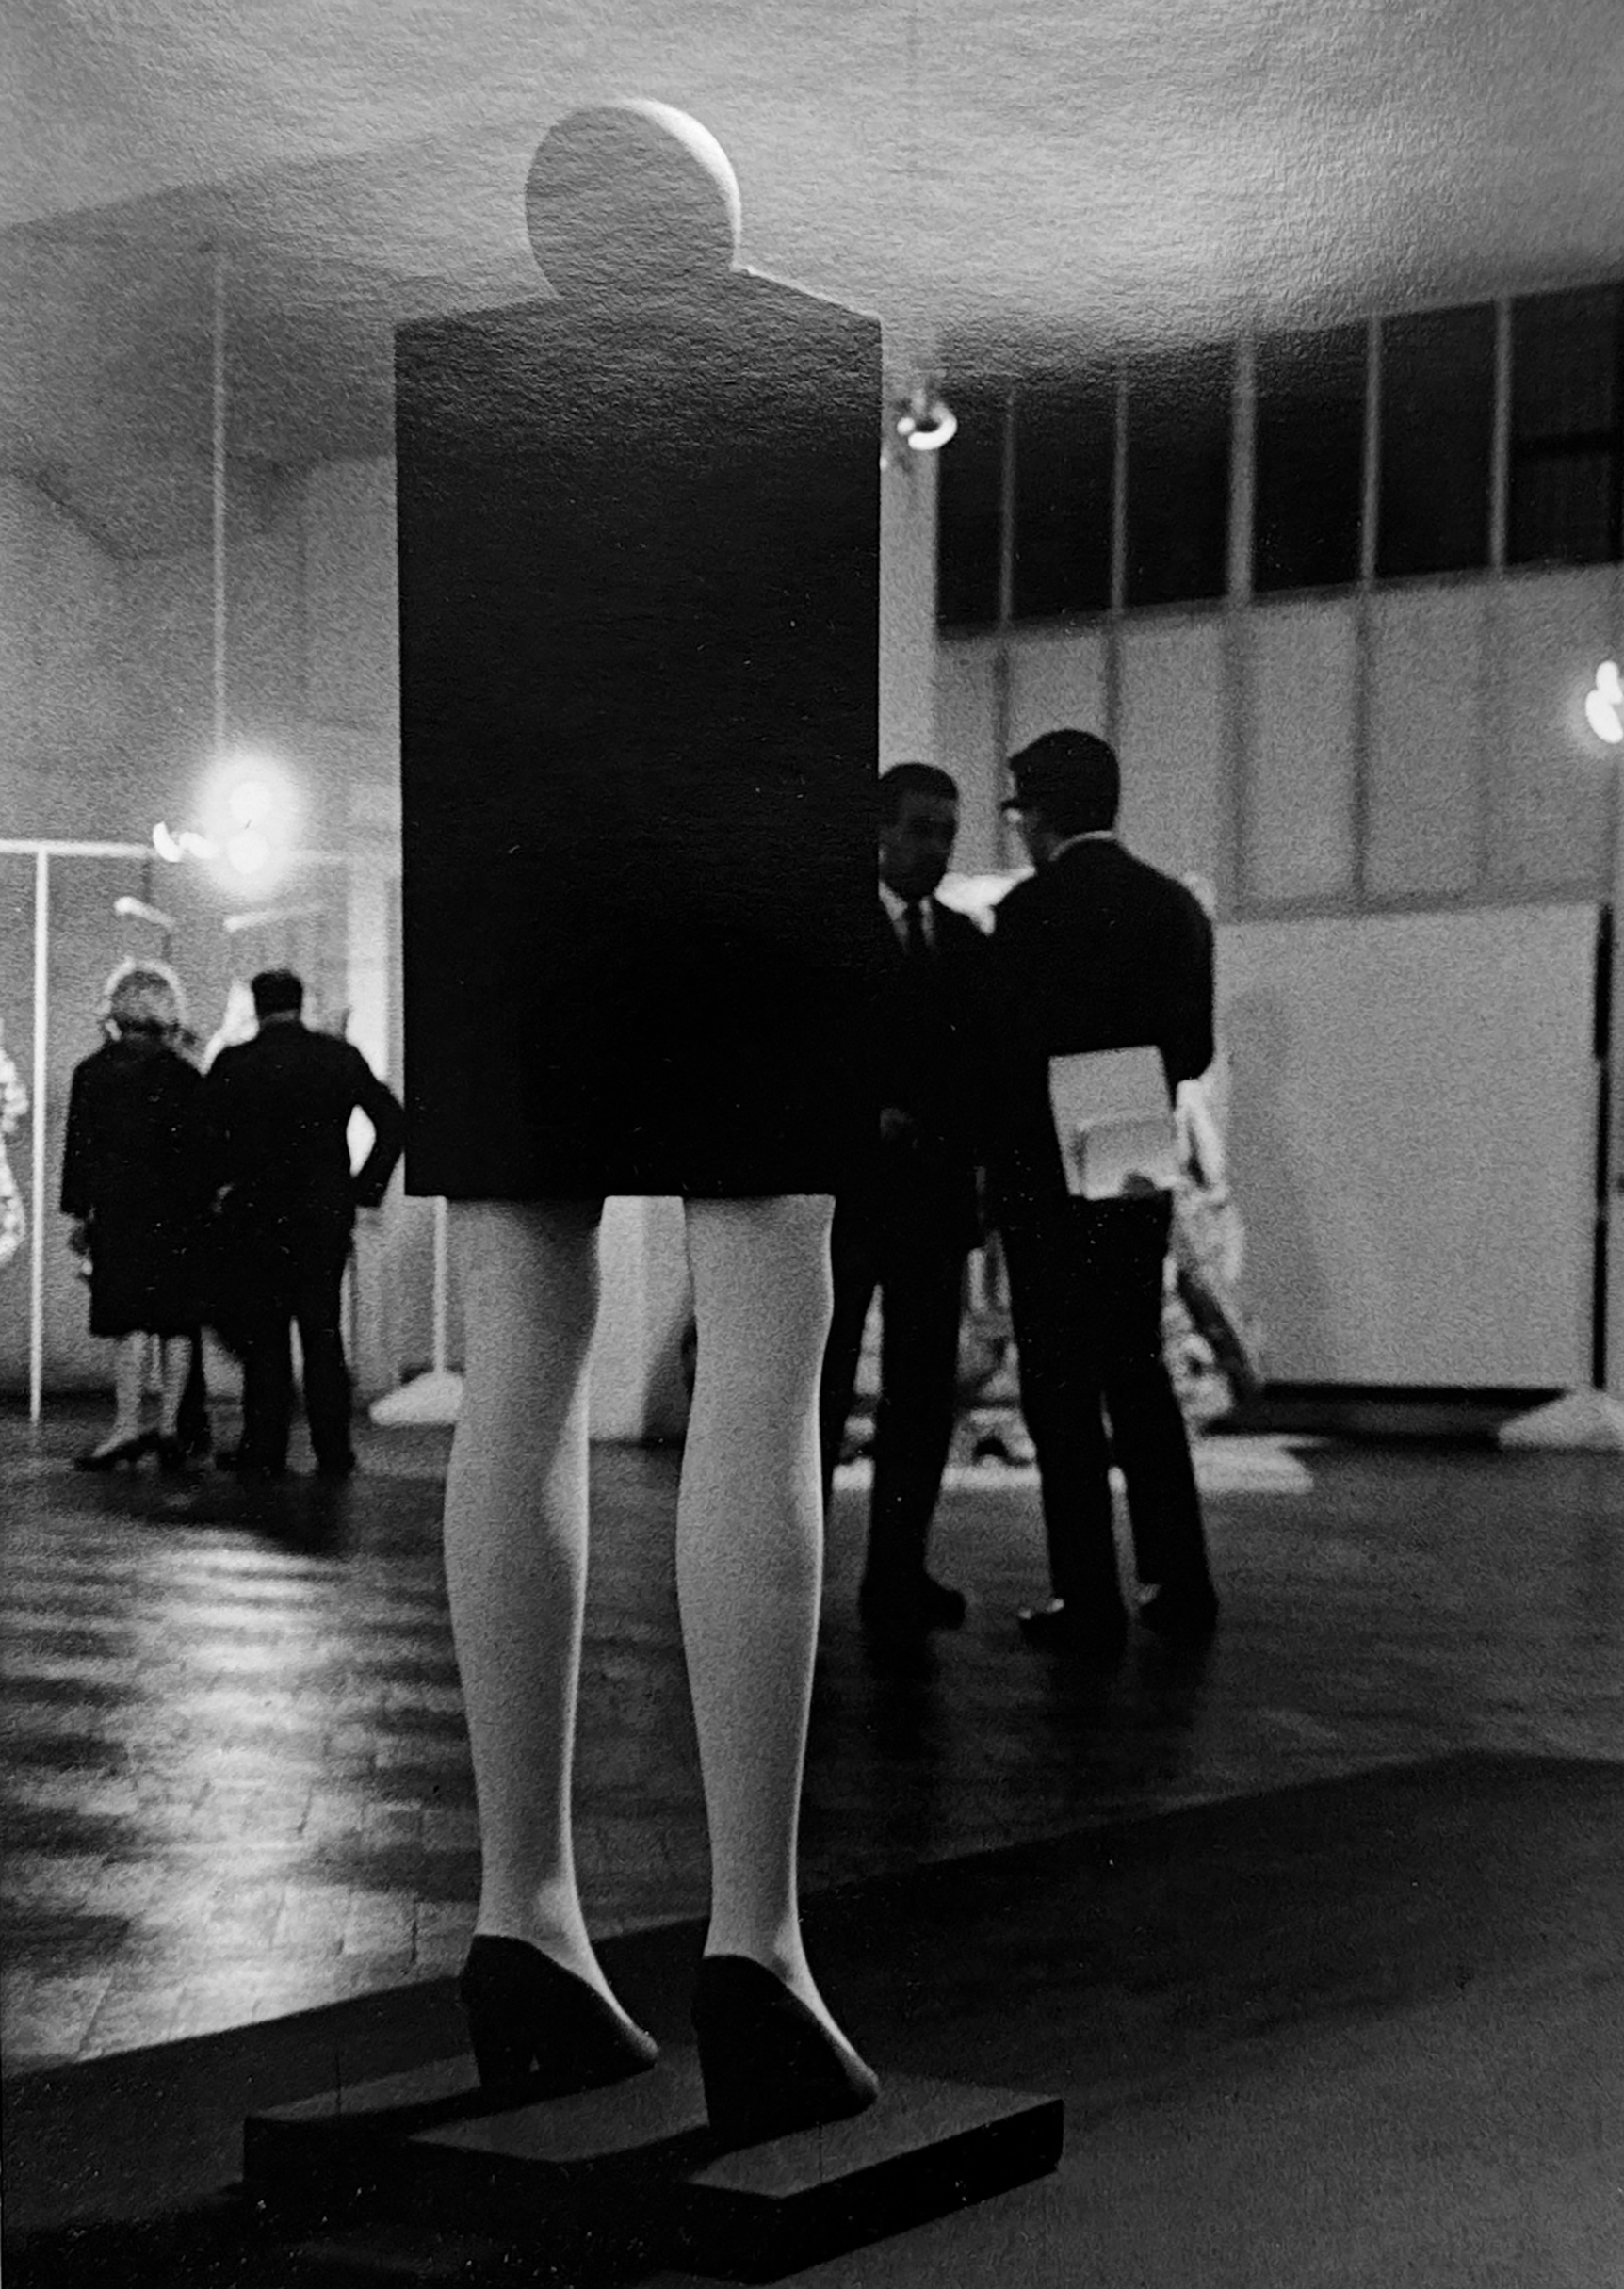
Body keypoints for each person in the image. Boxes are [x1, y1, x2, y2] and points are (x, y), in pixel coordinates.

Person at [396, 101, 882, 2142]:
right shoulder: (803, 352)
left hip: (508, 900)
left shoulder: (457, 385)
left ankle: (524, 1912)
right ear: (717, 221)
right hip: (740, 882)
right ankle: (757, 1943)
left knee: (521, 1356)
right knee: (766, 1348)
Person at [987, 728, 1222, 1655]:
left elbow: (1005, 1052)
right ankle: (1178, 1578)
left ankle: (1085, 1593)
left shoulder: (1027, 913)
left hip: (1042, 1169)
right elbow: (1192, 1052)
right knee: (1137, 1368)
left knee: (1057, 1380)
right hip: (1132, 1156)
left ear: (1041, 813)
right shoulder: (1172, 907)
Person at [818, 762, 996, 1633]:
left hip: (932, 1201)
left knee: (921, 1397)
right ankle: (796, 1564)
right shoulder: (830, 935)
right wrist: (863, 1116)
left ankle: (898, 1570)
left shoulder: (965, 943)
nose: (936, 848)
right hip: (848, 1199)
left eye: (947, 833)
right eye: (922, 829)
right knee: (822, 1384)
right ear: (879, 830)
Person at [198, 968, 406, 1478]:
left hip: (257, 1213)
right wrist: (363, 1190)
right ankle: (333, 1450)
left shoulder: (234, 1063)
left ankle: (264, 1447)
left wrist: (222, 1188)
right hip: (322, 1213)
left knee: (265, 1337)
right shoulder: (337, 1057)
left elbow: (205, 1137)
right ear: (302, 1003)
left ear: (257, 1006)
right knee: (323, 1331)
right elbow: (393, 1121)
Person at [58, 961, 210, 1470]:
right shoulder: (184, 1075)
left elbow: (80, 1153)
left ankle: (125, 1427)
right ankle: (169, 1429)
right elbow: (202, 1153)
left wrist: (80, 1213)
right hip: (179, 1212)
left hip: (120, 1211)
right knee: (176, 1322)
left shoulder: (93, 1072)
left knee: (128, 1322)